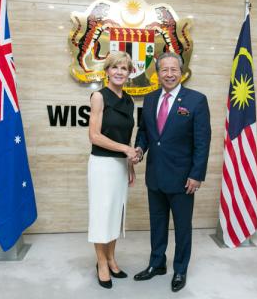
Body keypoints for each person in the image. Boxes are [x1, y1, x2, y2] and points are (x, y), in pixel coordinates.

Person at [133, 52, 211, 292]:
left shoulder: (196, 100)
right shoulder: (149, 98)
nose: (169, 74)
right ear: (157, 73)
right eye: (164, 69)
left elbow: (202, 141)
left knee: (182, 226)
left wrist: (196, 175)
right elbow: (145, 131)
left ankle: (180, 269)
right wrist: (139, 148)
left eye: (173, 69)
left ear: (182, 71)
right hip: (155, 175)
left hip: (182, 178)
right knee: (157, 224)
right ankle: (157, 263)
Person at [88, 51, 137, 289]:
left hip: (120, 166)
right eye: (115, 67)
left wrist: (129, 165)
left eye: (124, 68)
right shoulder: (99, 96)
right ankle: (101, 263)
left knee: (116, 214)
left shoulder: (129, 100)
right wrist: (125, 149)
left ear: (129, 73)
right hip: (102, 165)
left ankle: (111, 257)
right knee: (101, 214)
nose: (119, 72)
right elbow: (94, 136)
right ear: (107, 70)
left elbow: (126, 136)